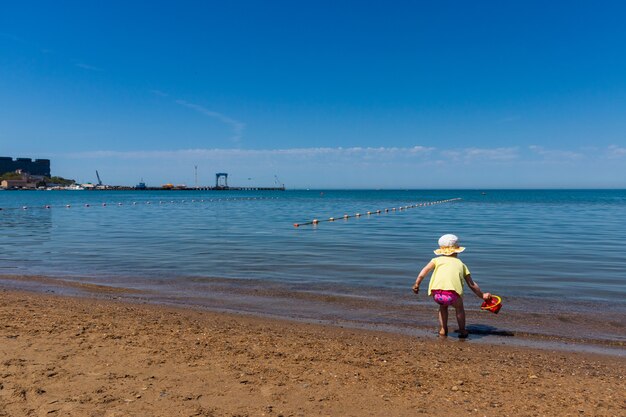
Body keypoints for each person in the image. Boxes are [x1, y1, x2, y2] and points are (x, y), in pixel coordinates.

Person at [412, 234, 491, 338]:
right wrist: (482, 295)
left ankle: (443, 329)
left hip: (437, 295)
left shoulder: (435, 260)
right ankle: (462, 330)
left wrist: (417, 283)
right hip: (452, 295)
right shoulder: (460, 264)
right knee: (459, 309)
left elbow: (424, 272)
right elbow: (471, 284)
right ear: (456, 250)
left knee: (443, 307)